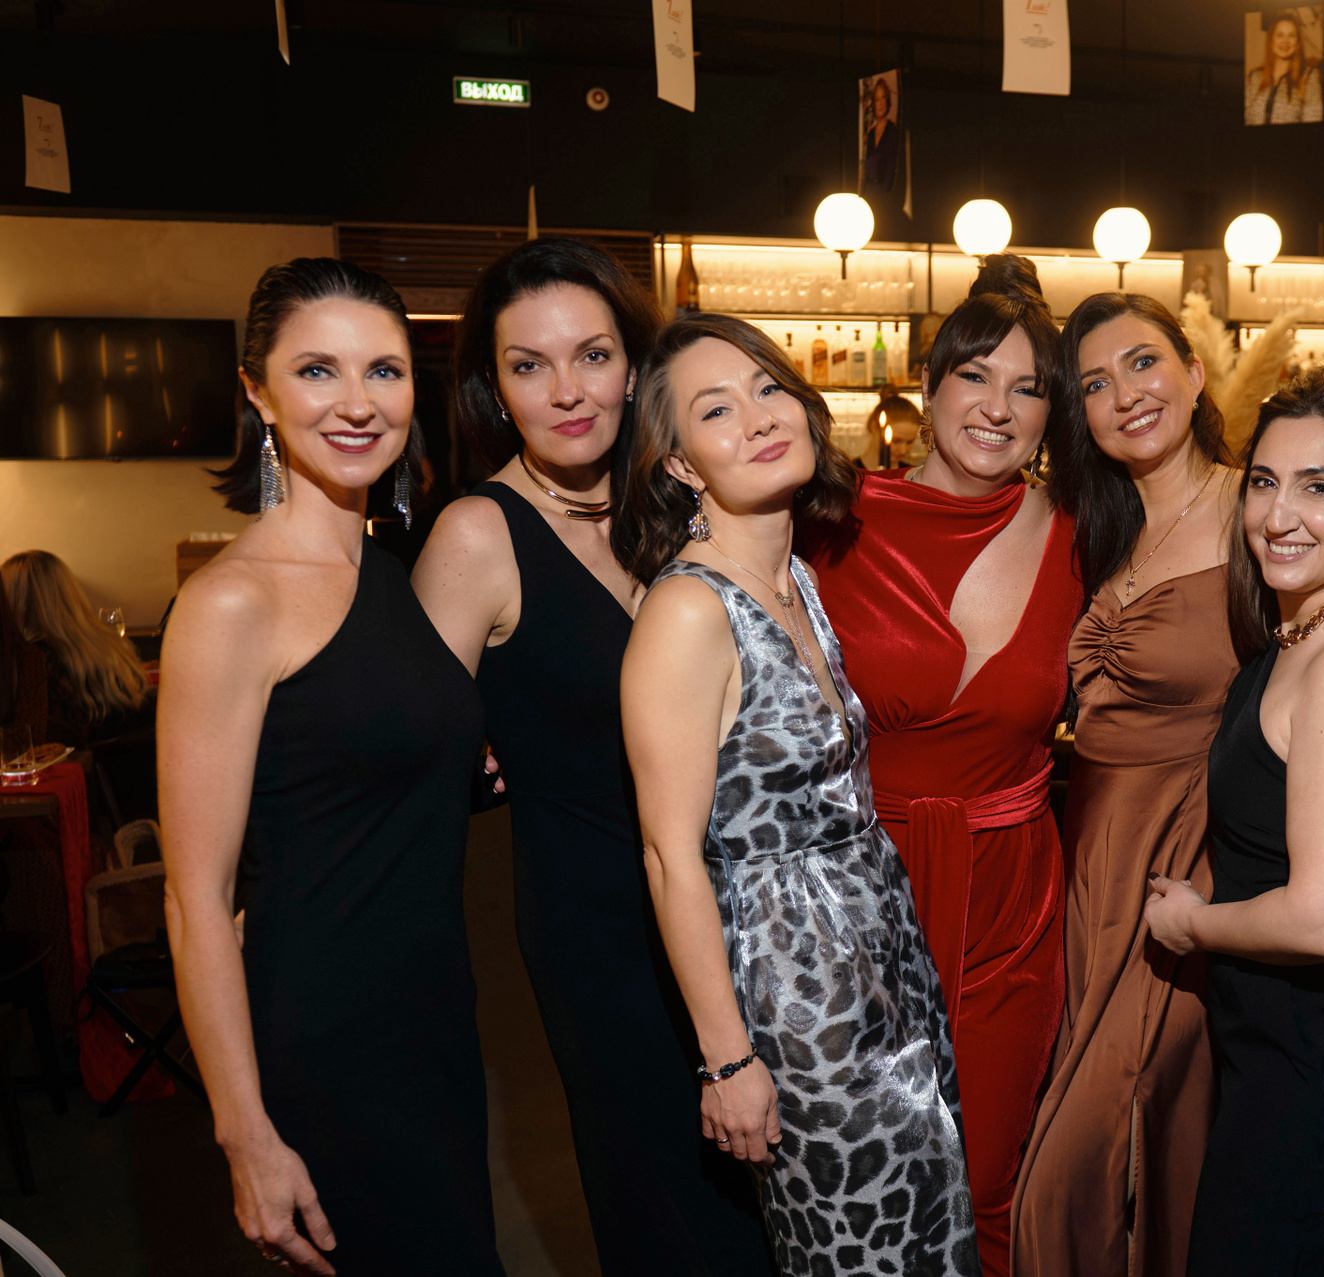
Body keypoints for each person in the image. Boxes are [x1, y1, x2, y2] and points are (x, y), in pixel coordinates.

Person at [410, 239, 770, 1276]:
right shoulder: (479, 534)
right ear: (494, 388)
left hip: (747, 915)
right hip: (604, 936)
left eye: (593, 355)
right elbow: (410, 745)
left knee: (780, 1206)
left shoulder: (684, 497)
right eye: (529, 365)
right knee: (675, 1212)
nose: (567, 391)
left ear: (637, 365)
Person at [158, 258, 505, 1277]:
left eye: (384, 371)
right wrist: (245, 1134)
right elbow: (194, 897)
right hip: (326, 1037)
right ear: (258, 393)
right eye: (317, 370)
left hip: (432, 1020)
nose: (359, 403)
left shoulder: (387, 573)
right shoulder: (233, 603)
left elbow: (357, 764)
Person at [616, 313, 978, 1277]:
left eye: (768, 388)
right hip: (796, 993)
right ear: (681, 465)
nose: (758, 417)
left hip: (884, 956)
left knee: (932, 1219)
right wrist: (728, 1059)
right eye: (715, 410)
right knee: (858, 1251)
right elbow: (670, 856)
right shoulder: (688, 610)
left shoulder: (800, 579)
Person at [806, 255, 1075, 1277]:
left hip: (1010, 904)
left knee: (989, 1175)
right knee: (868, 1177)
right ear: (927, 382)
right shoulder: (828, 521)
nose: (998, 408)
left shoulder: (1085, 537)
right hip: (855, 894)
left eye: (1028, 388)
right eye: (975, 375)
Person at [1143, 368, 1324, 1277]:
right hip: (1267, 1048)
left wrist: (1194, 924)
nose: (1278, 515)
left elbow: (1323, 918)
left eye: (1319, 486)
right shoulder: (1303, 629)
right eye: (1264, 482)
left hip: (1314, 1072)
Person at [1013, 293, 1241, 1277]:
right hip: (1084, 867)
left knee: (1089, 1150)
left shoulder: (1262, 508)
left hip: (1190, 860)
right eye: (1095, 384)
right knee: (1128, 1132)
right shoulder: (1092, 528)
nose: (1126, 395)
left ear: (1195, 370)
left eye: (1144, 362)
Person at [0, 550, 151, 747]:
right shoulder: (104, 645)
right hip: (126, 757)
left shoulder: (32, 662)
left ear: (9, 600)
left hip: (80, 761)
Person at [1244, 14, 1323, 125]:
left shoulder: (1309, 76)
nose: (1285, 41)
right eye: (1280, 35)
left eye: (1291, 35)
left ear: (1298, 43)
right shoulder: (1253, 77)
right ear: (1271, 40)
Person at [861, 75, 902, 200]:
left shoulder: (893, 131)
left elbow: (891, 169)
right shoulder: (870, 134)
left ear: (887, 100)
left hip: (885, 195)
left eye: (883, 98)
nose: (880, 103)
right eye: (877, 99)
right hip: (867, 193)